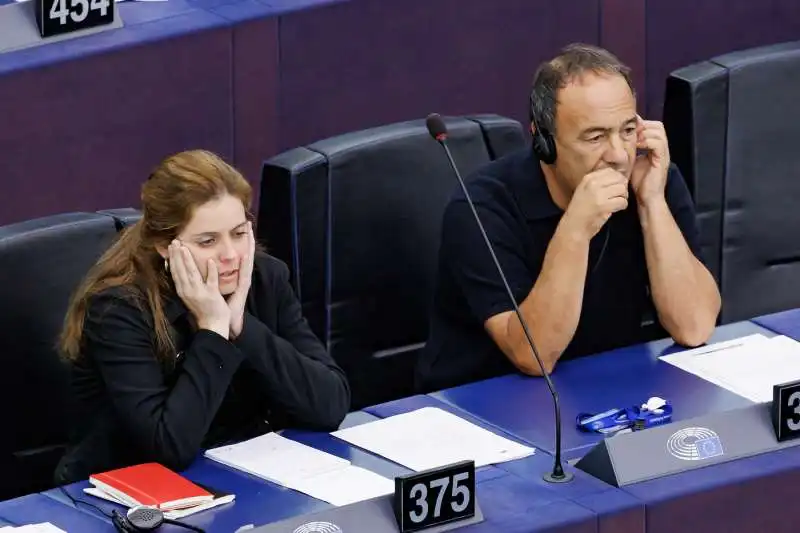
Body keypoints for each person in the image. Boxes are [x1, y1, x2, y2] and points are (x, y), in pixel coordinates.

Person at [416, 44, 721, 392]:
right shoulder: (482, 207)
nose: (619, 155)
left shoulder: (651, 179)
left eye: (626, 131)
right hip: (488, 403)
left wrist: (652, 202)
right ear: (544, 142)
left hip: (606, 385)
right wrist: (576, 229)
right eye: (595, 136)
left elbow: (694, 326)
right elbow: (533, 356)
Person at [55, 150, 350, 484]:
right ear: (166, 246)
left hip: (244, 474)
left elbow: (330, 405)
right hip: (129, 495)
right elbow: (169, 448)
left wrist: (242, 327)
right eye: (208, 241)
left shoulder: (265, 279)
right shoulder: (119, 310)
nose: (230, 255)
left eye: (239, 234)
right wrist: (213, 330)